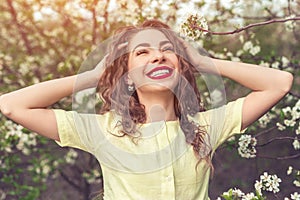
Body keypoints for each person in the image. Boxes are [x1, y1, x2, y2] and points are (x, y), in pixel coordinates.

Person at [0, 19, 293, 199]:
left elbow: (280, 83)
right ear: (126, 74)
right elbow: (12, 105)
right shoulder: (105, 130)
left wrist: (203, 61)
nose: (158, 57)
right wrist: (93, 76)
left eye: (168, 50)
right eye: (143, 52)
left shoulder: (206, 127)